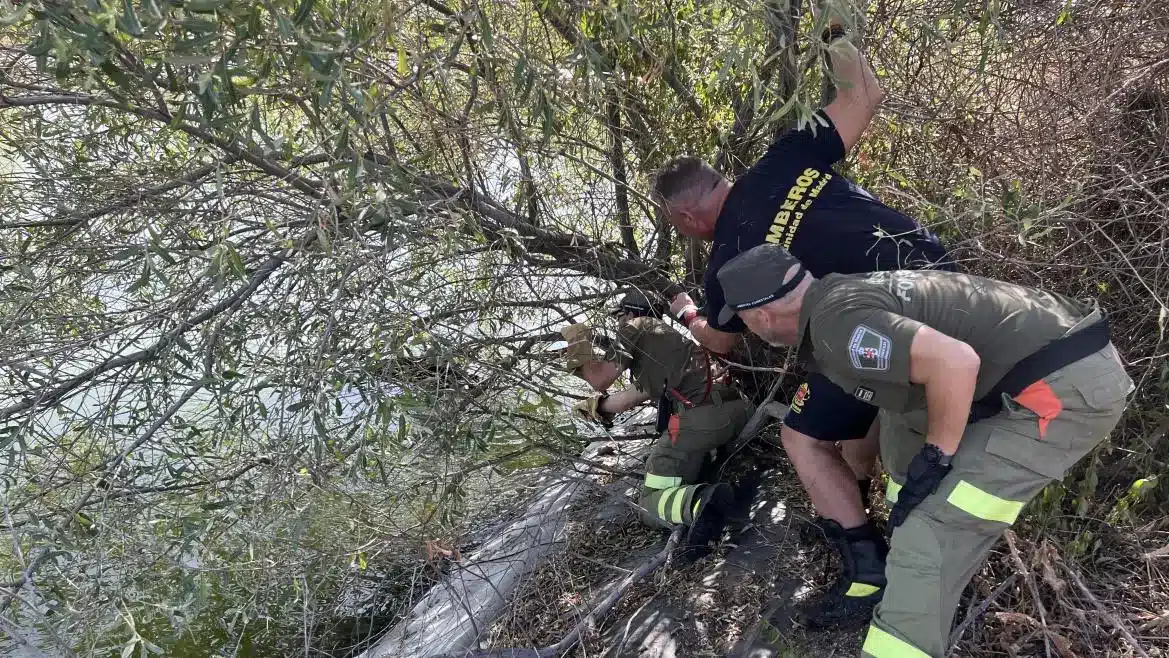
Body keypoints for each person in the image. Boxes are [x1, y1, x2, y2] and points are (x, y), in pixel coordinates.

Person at [651, 6, 952, 626]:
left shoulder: (727, 261)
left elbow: (725, 344)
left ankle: (868, 577)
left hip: (878, 327)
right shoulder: (781, 160)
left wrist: (686, 314)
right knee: (852, 432)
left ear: (685, 220)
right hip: (948, 285)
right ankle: (864, 515)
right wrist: (836, 29)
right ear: (722, 179)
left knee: (800, 434)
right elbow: (863, 93)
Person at [716, 243, 1133, 658]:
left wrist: (938, 456)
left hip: (1061, 392)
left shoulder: (837, 324)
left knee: (932, 528)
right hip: (1046, 368)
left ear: (761, 316)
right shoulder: (838, 296)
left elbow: (955, 362)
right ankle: (910, 579)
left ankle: (905, 622)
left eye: (744, 322)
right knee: (903, 429)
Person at [562, 292, 756, 558]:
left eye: (620, 317)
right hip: (737, 410)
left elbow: (599, 379)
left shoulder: (636, 326)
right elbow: (629, 397)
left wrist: (577, 341)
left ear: (630, 314)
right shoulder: (663, 342)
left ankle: (700, 503)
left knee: (650, 499)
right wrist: (598, 406)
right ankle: (704, 480)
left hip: (705, 421)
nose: (619, 325)